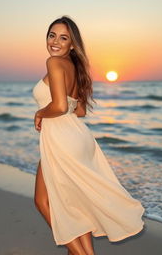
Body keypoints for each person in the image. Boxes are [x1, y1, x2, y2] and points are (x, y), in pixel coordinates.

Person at [32, 15, 145, 255]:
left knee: (44, 202)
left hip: (62, 139)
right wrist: (54, 109)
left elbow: (60, 106)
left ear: (72, 44)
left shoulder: (53, 63)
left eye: (64, 38)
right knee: (74, 205)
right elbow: (79, 109)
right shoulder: (75, 67)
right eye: (52, 35)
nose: (55, 42)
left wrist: (40, 112)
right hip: (76, 137)